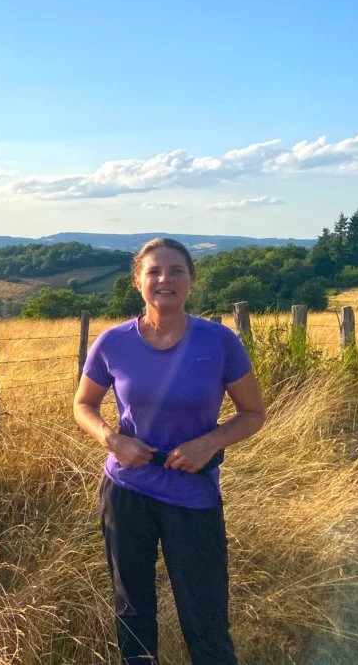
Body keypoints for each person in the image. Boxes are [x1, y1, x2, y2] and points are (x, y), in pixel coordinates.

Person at [73, 238, 266, 664]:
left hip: (192, 493)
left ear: (191, 279)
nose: (165, 279)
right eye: (154, 271)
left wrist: (210, 443)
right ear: (138, 281)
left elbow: (253, 413)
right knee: (132, 607)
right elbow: (83, 405)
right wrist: (112, 440)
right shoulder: (112, 342)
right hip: (126, 492)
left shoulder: (220, 342)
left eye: (176, 270)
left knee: (205, 613)